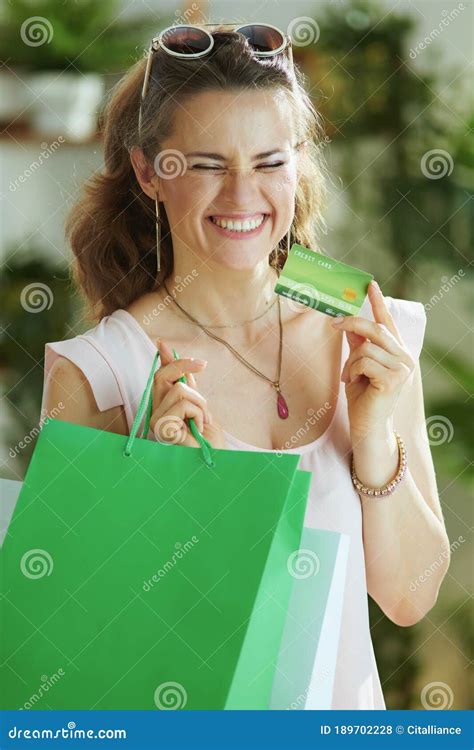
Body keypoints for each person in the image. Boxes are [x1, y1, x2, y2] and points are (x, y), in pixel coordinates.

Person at [41, 24, 450, 709]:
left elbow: (408, 597)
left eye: (269, 162)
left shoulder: (370, 331)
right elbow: (62, 661)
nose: (241, 196)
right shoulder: (99, 373)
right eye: (205, 164)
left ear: (298, 166)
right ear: (149, 172)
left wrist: (374, 434)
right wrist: (145, 492)